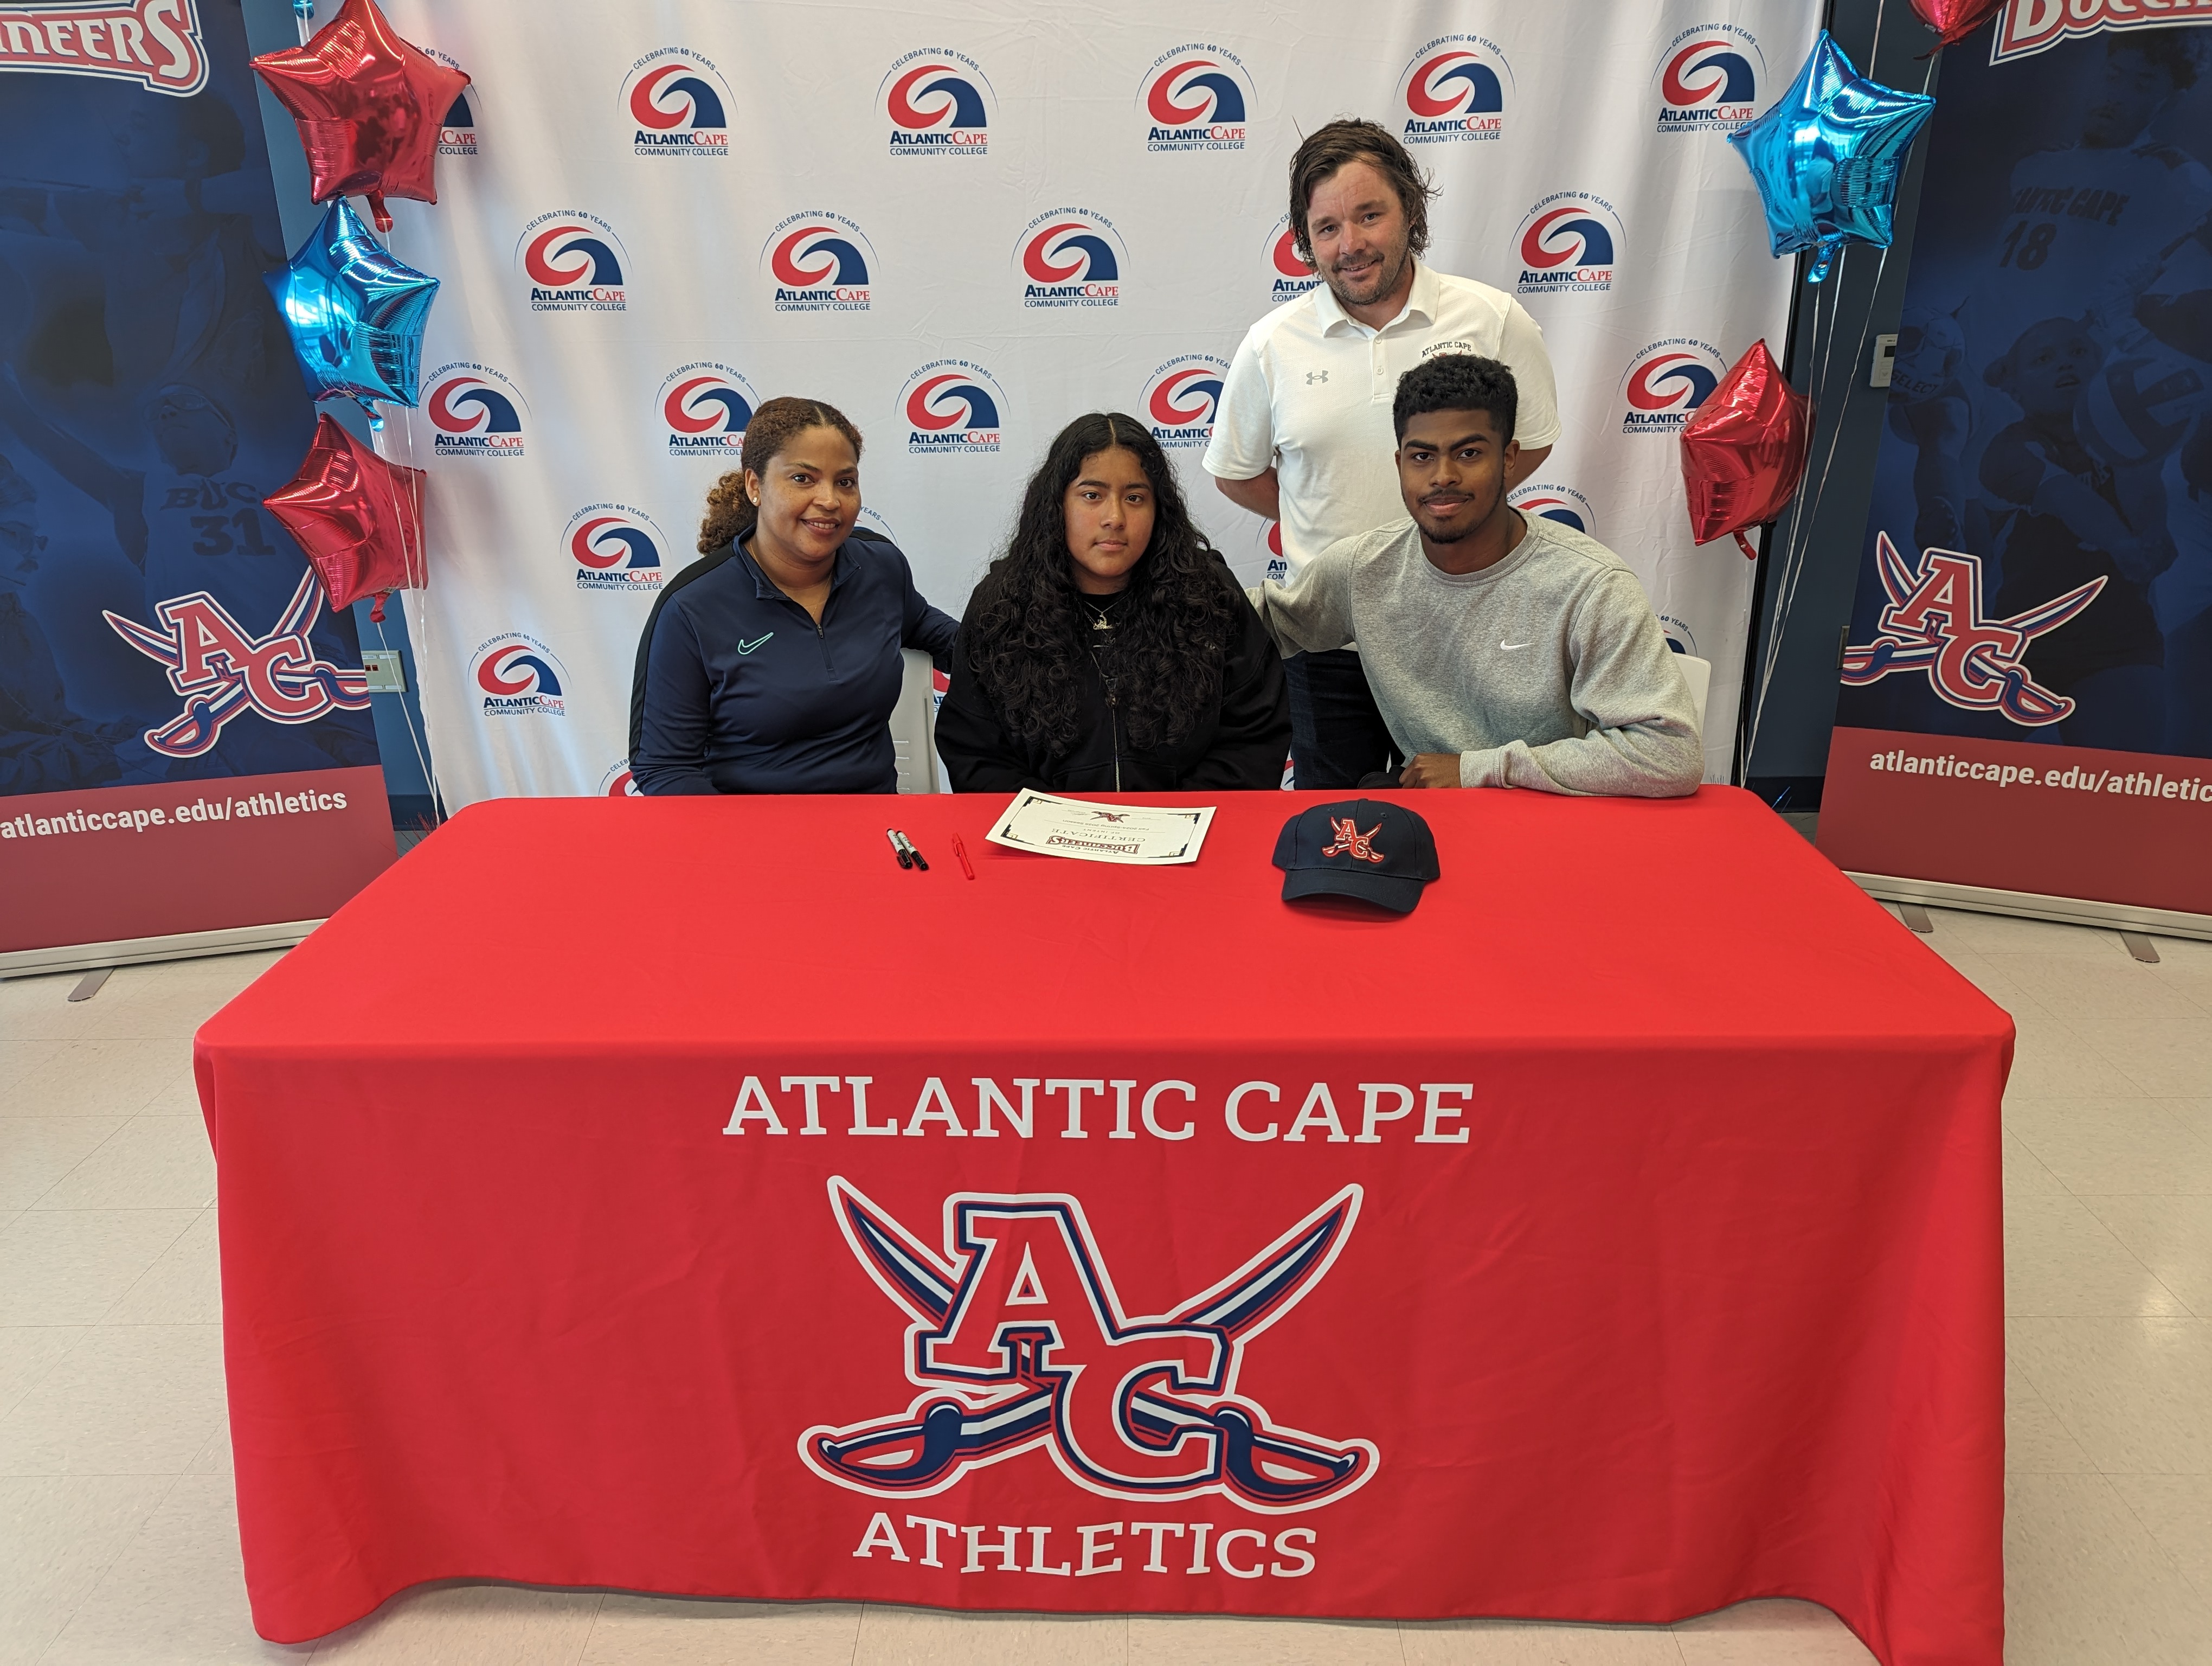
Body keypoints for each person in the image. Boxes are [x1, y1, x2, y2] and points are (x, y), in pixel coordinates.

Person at [1205, 118, 1562, 789]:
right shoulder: (1271, 344)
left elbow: (1530, 444)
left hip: (1468, 634)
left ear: (1411, 211)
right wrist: (1325, 505)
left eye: (1370, 215)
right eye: (1328, 228)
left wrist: (1454, 516)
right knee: (1338, 833)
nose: (1352, 245)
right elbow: (1237, 472)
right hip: (1328, 642)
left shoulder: (1493, 320)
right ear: (1305, 240)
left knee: (1478, 831)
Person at [1248, 355, 1700, 798]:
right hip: (1436, 828)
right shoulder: (1362, 568)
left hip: (1551, 820)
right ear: (1400, 463)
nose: (1443, 476)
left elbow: (1669, 754)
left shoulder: (1589, 584)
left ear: (1508, 459)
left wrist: (1478, 769)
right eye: (1422, 456)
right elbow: (1248, 624)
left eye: (1468, 453)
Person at [935, 413, 1289, 793]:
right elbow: (976, 751)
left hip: (1193, 833)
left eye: (1135, 498)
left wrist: (1178, 817)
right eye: (1092, 496)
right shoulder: (1002, 604)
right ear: (1056, 506)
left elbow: (1254, 734)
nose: (1115, 518)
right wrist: (1049, 821)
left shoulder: (1209, 595)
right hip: (1043, 840)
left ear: (1158, 511)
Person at [629, 397, 958, 794]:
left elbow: (928, 629)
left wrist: (1030, 654)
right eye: (803, 478)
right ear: (755, 485)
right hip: (752, 836)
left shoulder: (880, 566)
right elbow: (665, 768)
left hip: (877, 827)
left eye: (845, 481)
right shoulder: (690, 608)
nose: (830, 500)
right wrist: (744, 851)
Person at [1978, 316, 2172, 751]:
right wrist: (2124, 546)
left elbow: (2144, 499)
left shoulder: (2133, 427)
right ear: (2014, 387)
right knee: (1946, 775)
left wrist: (2153, 536)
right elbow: (2066, 497)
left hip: (2120, 643)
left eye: (2078, 352)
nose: (2065, 364)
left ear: (2101, 364)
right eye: (2044, 359)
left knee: (2124, 787)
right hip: (2012, 645)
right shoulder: (2007, 452)